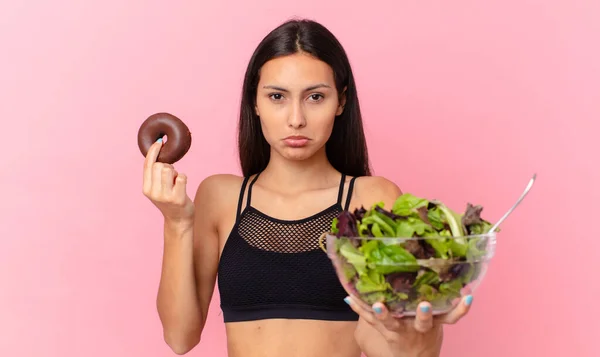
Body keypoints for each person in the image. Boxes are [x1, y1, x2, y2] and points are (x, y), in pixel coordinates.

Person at [142, 18, 473, 357]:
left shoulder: (372, 199)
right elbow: (180, 337)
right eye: (277, 97)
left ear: (340, 102)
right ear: (255, 103)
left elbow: (392, 346)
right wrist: (177, 222)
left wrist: (421, 334)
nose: (296, 118)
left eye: (315, 97)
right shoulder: (220, 197)